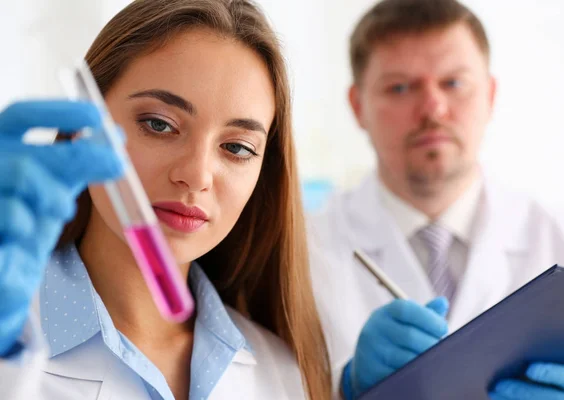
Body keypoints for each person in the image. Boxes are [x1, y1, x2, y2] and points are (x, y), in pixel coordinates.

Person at [0, 0, 334, 398]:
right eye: (159, 124)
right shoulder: (11, 329)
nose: (196, 174)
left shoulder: (280, 372)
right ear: (81, 129)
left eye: (238, 148)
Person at [308, 0, 564, 399]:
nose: (433, 108)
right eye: (400, 87)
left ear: (491, 94)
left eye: (454, 83)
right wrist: (343, 386)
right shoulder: (302, 250)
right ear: (358, 106)